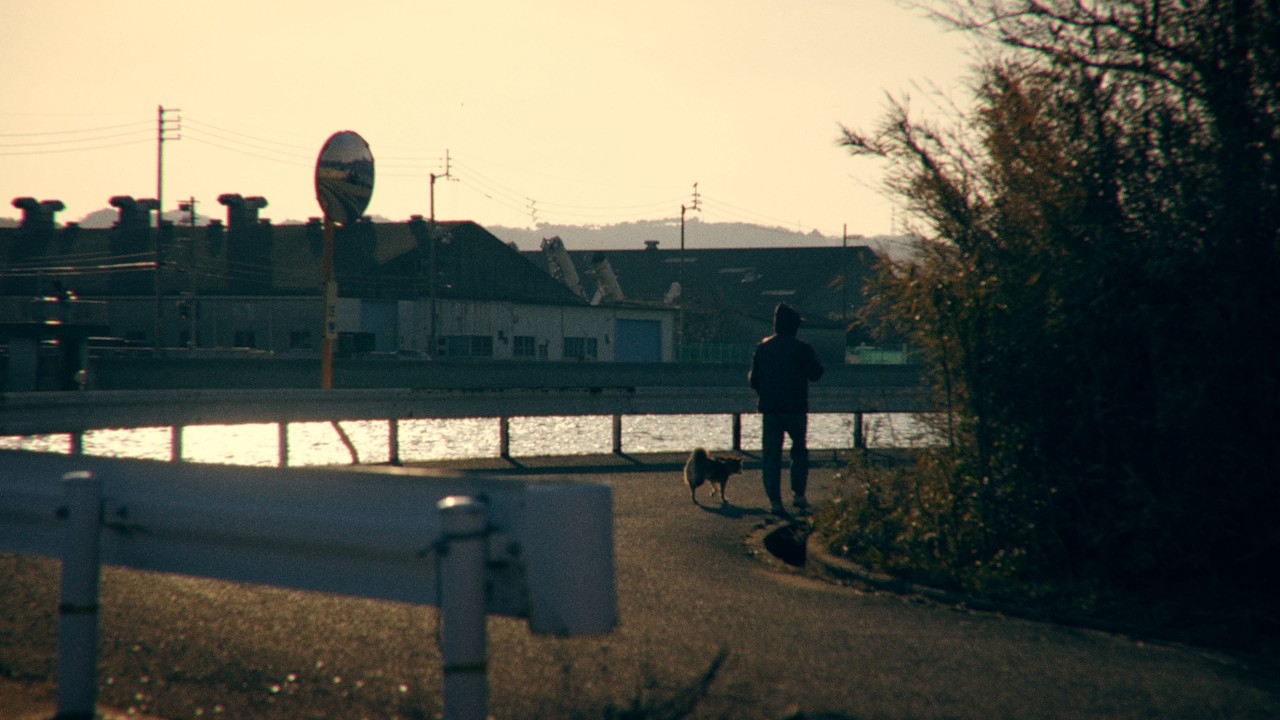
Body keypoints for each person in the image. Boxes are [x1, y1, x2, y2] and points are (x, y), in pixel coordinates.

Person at [749, 302, 825, 517]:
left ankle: (775, 502)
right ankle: (798, 495)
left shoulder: (763, 347)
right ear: (794, 326)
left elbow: (753, 381)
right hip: (796, 409)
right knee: (799, 452)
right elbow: (816, 374)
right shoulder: (802, 348)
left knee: (771, 456)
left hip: (770, 410)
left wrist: (766, 394)